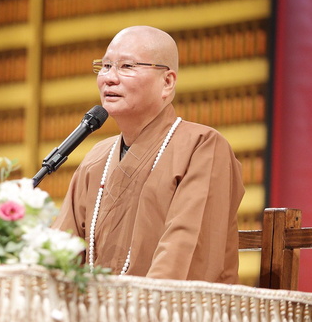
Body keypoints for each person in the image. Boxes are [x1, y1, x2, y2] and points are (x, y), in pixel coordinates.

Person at [52, 25, 244, 283]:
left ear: (167, 82)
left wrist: (139, 312)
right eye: (106, 66)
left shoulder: (203, 146)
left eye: (127, 66)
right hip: (94, 315)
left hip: (169, 314)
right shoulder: (97, 158)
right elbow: (59, 251)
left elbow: (184, 252)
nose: (109, 77)